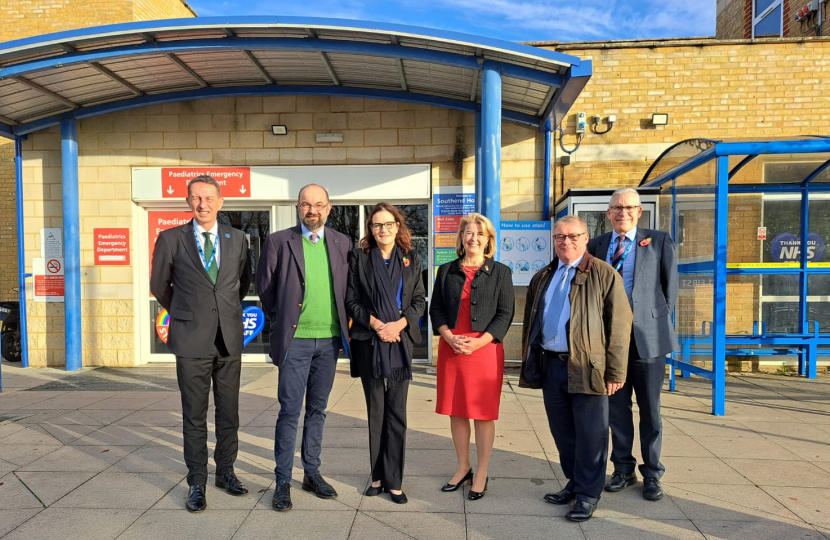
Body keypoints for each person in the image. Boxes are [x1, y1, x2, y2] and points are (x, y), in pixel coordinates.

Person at [150, 175, 252, 513]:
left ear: (221, 202)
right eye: (196, 198)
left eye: (209, 198)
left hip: (229, 340)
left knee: (229, 413)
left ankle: (226, 471)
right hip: (191, 340)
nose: (203, 204)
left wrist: (222, 312)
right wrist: (187, 312)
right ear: (188, 201)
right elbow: (159, 285)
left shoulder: (238, 239)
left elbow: (241, 282)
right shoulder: (170, 238)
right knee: (194, 416)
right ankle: (197, 481)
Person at [520, 215, 631, 522]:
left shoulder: (604, 274)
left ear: (585, 237)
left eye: (572, 236)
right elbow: (533, 320)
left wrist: (616, 372)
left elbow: (620, 327)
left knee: (592, 435)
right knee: (563, 433)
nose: (565, 242)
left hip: (588, 368)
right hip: (552, 366)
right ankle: (575, 483)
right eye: (559, 237)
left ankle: (587, 494)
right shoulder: (544, 275)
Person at [256, 184, 352, 512]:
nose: (313, 210)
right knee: (289, 411)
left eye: (319, 205)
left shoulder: (343, 243)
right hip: (295, 343)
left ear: (329, 208)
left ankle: (311, 473)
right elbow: (266, 290)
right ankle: (283, 479)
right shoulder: (279, 241)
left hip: (329, 342)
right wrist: (281, 323)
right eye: (307, 205)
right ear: (298, 207)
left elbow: (348, 290)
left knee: (317, 410)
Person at [587, 187, 678, 501]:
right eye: (617, 208)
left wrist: (648, 321)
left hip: (647, 341)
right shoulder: (596, 245)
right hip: (610, 344)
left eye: (629, 207)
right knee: (616, 410)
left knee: (650, 410)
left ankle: (652, 473)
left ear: (639, 212)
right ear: (608, 213)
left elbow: (669, 292)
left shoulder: (659, 241)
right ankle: (623, 469)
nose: (623, 212)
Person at [345, 202, 426, 505]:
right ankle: (377, 476)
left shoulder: (411, 258)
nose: (383, 230)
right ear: (371, 229)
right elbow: (352, 301)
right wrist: (379, 325)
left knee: (397, 414)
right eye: (377, 225)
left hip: (400, 344)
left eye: (388, 224)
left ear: (397, 226)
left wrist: (399, 325)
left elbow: (418, 300)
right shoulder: (360, 258)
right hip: (371, 343)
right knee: (376, 413)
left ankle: (395, 480)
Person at [430, 213, 514, 501]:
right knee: (457, 410)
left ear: (488, 239)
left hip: (485, 351)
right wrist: (448, 335)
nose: (474, 238)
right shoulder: (446, 271)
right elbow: (436, 309)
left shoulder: (501, 271)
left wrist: (480, 343)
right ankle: (463, 467)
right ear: (461, 238)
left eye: (480, 234)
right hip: (451, 348)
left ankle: (481, 471)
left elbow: (506, 313)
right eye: (469, 233)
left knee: (482, 413)